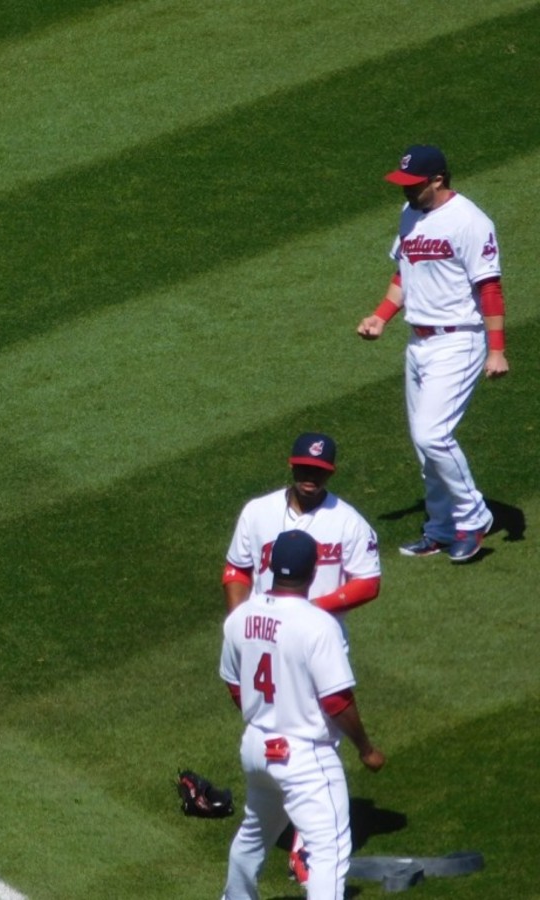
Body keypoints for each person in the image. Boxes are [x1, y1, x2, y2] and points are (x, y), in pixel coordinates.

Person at [357, 144, 507, 563]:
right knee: (425, 447)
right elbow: (403, 272)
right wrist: (381, 316)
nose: (406, 192)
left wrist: (497, 351)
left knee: (432, 434)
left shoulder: (470, 221)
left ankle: (473, 516)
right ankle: (441, 528)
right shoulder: (412, 215)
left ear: (437, 180)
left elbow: (489, 287)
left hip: (459, 340)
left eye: (413, 184)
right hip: (418, 342)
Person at [220, 530, 385, 900]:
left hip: (256, 747)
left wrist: (265, 719)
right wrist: (365, 747)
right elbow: (337, 701)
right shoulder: (317, 625)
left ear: (270, 567)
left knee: (254, 833)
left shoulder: (240, 617)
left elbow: (234, 685)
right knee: (329, 849)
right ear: (313, 572)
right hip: (304, 756)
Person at [223, 433, 381, 617]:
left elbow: (369, 583)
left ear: (331, 472)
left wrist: (312, 608)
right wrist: (237, 621)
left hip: (319, 635)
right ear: (291, 465)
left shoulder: (350, 522)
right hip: (263, 634)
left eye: (318, 470)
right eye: (304, 468)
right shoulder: (256, 511)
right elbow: (237, 569)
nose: (310, 476)